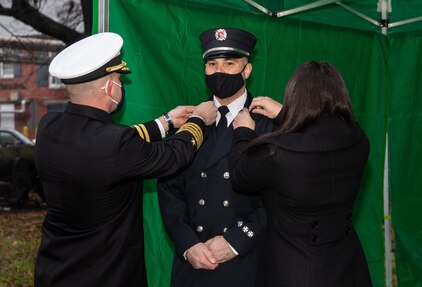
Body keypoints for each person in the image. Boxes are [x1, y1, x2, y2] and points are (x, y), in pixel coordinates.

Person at [33, 32, 217, 287]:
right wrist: (199, 120)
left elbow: (110, 142)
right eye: (119, 80)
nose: (120, 87)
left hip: (56, 271)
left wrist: (165, 123)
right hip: (106, 275)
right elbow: (172, 157)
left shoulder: (48, 126)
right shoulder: (115, 144)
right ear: (110, 88)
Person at [228, 61, 373, 287]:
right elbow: (321, 135)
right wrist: (286, 115)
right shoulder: (358, 138)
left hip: (296, 269)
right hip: (349, 264)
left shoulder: (277, 152)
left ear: (295, 95)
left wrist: (243, 133)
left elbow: (239, 175)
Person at [157, 28, 274, 286]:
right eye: (212, 63)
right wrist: (188, 244)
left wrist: (235, 241)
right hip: (194, 265)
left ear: (247, 70)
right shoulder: (190, 122)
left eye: (230, 63)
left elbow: (278, 197)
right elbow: (169, 189)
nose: (218, 71)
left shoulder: (268, 125)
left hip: (246, 262)